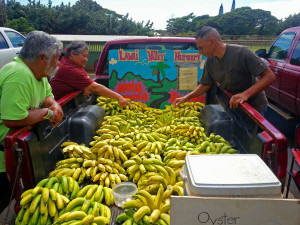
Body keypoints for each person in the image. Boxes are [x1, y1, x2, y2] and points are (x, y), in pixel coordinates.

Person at [0, 31, 64, 212]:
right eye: (57, 59)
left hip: (15, 152)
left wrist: (55, 105)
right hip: (2, 155)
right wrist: (48, 113)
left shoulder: (38, 75)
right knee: (4, 198)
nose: (59, 64)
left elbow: (48, 97)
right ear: (43, 58)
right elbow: (13, 118)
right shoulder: (19, 75)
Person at [173, 26, 276, 114]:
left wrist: (245, 95)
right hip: (233, 105)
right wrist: (185, 98)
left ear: (212, 41)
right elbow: (205, 84)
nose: (199, 52)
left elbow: (269, 76)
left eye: (201, 48)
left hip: (254, 108)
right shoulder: (210, 61)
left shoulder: (242, 53)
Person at [50, 41, 130, 108]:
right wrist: (119, 98)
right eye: (84, 56)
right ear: (73, 53)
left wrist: (87, 86)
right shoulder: (68, 68)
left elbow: (85, 77)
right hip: (53, 107)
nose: (86, 60)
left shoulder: (69, 63)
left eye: (87, 57)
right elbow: (95, 88)